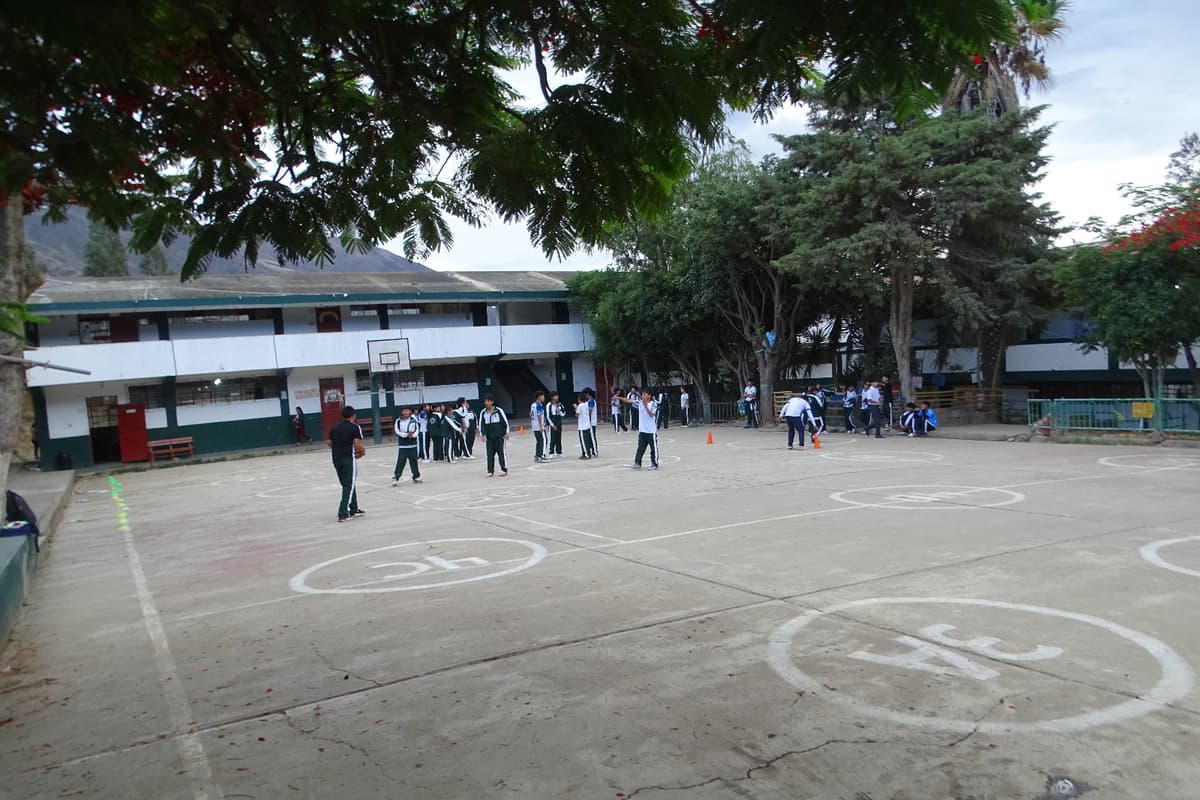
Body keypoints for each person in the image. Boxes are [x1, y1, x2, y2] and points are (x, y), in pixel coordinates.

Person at [328, 405, 366, 522]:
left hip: (336, 458)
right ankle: (343, 512)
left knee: (348, 483)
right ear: (353, 415)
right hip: (348, 458)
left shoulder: (335, 427)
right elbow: (356, 444)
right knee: (348, 485)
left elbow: (329, 443)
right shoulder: (355, 427)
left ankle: (354, 508)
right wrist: (362, 451)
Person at [618, 389, 660, 469]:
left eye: (644, 394)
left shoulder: (653, 404)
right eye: (642, 395)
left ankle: (654, 464)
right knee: (640, 448)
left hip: (651, 431)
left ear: (649, 396)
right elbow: (629, 401)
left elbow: (651, 414)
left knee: (653, 448)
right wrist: (619, 398)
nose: (643, 396)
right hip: (642, 431)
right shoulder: (639, 402)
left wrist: (645, 406)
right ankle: (637, 463)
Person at [478, 394, 510, 477]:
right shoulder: (483, 412)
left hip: (499, 437)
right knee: (490, 454)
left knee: (501, 453)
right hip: (489, 438)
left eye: (488, 401)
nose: (486, 403)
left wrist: (506, 432)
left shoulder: (499, 410)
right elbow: (481, 424)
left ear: (492, 402)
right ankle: (490, 471)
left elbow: (505, 422)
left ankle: (504, 469)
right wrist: (482, 434)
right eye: (485, 401)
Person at [391, 407, 423, 485]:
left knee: (414, 462)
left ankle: (416, 476)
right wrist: (406, 435)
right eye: (404, 411)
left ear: (409, 412)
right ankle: (396, 477)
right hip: (403, 446)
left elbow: (417, 430)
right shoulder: (398, 421)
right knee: (401, 461)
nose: (405, 412)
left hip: (413, 445)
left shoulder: (413, 420)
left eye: (407, 411)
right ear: (402, 412)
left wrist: (413, 435)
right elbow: (397, 431)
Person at [530, 390, 548, 463]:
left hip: (534, 426)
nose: (544, 398)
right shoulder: (539, 405)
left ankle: (537, 456)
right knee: (543, 440)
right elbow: (539, 416)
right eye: (543, 396)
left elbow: (530, 414)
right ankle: (541, 455)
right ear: (539, 396)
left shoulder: (533, 405)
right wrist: (541, 426)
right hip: (539, 426)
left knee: (538, 441)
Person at [575, 394, 596, 459]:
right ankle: (591, 452)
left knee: (583, 441)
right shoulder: (586, 404)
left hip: (582, 426)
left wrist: (576, 407)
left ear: (579, 399)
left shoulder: (580, 406)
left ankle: (586, 454)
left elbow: (577, 415)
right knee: (588, 440)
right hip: (588, 425)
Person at [547, 391, 565, 458]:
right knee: (552, 438)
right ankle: (551, 452)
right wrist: (552, 425)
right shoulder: (549, 405)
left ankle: (559, 451)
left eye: (557, 396)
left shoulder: (560, 404)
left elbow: (563, 413)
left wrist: (559, 411)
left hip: (558, 422)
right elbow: (548, 416)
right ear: (552, 397)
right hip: (552, 423)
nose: (557, 397)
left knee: (558, 438)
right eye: (555, 396)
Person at [584, 388, 599, 455]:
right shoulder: (588, 401)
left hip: (591, 422)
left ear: (588, 394)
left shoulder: (591, 401)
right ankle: (591, 450)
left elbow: (590, 412)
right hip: (588, 422)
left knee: (592, 437)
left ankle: (594, 450)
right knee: (589, 437)